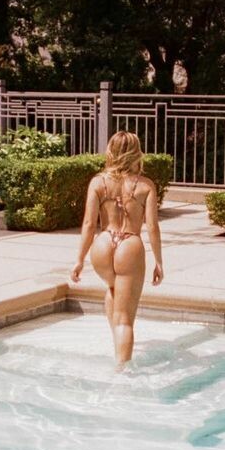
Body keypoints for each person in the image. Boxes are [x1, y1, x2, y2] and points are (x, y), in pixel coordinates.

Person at [71, 130, 164, 367]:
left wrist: (80, 259)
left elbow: (89, 223)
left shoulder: (98, 182)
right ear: (136, 152)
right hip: (129, 245)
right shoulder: (145, 186)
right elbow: (152, 227)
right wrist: (158, 261)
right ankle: (123, 372)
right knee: (125, 320)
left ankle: (117, 348)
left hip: (103, 244)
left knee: (114, 289)